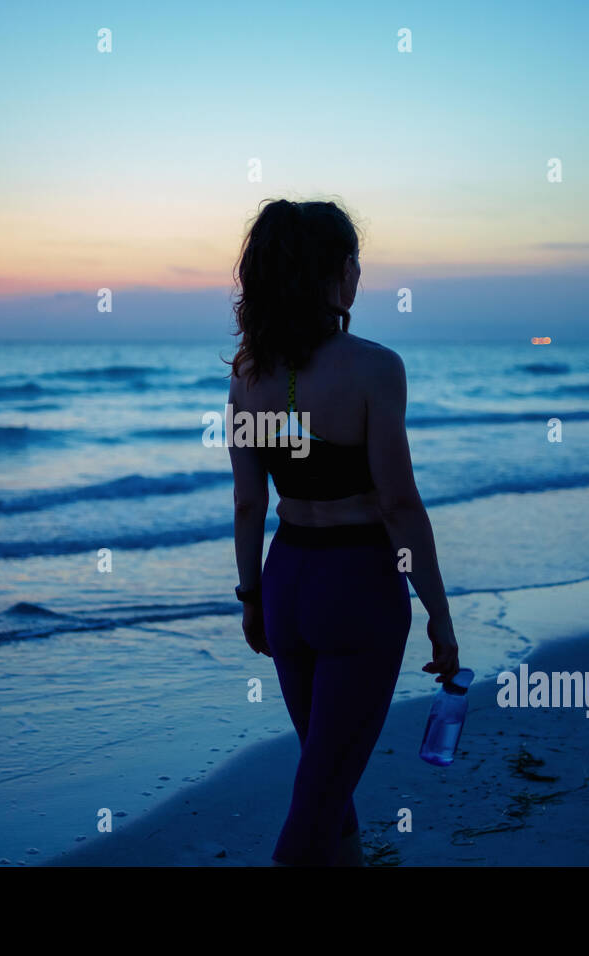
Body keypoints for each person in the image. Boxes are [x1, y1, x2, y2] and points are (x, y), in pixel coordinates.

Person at [225, 198, 460, 866]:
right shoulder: (375, 368)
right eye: (353, 261)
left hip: (286, 580)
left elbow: (248, 503)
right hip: (357, 586)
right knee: (321, 790)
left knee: (327, 771)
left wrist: (250, 598)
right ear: (331, 274)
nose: (360, 273)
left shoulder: (247, 376)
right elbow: (400, 505)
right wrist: (440, 615)